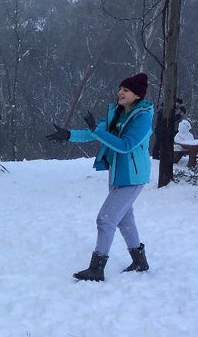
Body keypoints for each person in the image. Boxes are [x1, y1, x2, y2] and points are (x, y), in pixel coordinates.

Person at [46, 72, 154, 281]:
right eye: (120, 88)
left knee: (105, 219)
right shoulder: (119, 114)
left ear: (137, 95)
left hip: (133, 176)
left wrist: (96, 130)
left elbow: (126, 145)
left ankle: (97, 268)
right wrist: (69, 135)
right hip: (117, 174)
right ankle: (140, 261)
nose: (120, 92)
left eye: (126, 90)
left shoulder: (143, 117)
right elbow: (92, 132)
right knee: (123, 219)